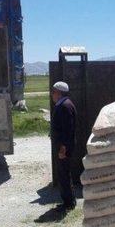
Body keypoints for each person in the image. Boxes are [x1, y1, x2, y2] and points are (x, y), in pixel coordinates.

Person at [50, 81, 77, 212]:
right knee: (64, 174)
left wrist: (62, 148)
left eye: (53, 92)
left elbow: (67, 130)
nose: (51, 95)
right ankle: (69, 201)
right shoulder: (63, 104)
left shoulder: (64, 106)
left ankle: (69, 203)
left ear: (59, 93)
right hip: (63, 147)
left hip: (64, 148)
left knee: (64, 174)